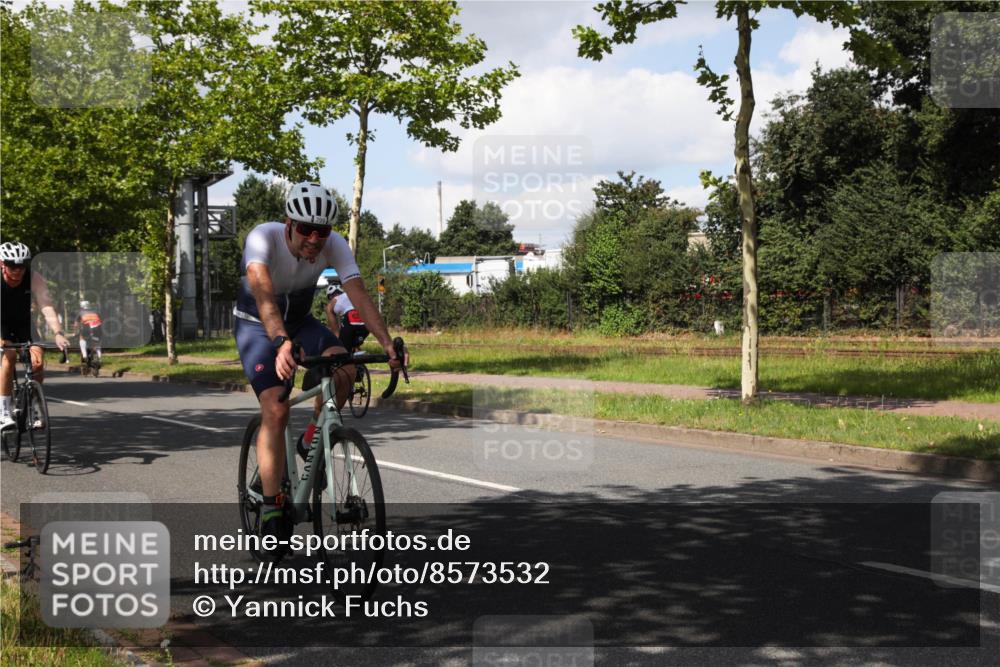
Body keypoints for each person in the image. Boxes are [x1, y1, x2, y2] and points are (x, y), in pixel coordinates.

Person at [233, 182, 406, 560]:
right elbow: (263, 292)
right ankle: (270, 506)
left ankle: (311, 440)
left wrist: (387, 342)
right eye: (306, 229)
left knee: (345, 369)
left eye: (322, 231)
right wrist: (279, 342)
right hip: (257, 326)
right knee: (276, 407)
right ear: (288, 224)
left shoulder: (335, 243)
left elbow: (357, 292)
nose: (314, 239)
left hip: (299, 321)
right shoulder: (262, 238)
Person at [1, 242, 69, 430]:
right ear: (2, 264)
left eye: (22, 266)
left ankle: (31, 408)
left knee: (37, 361)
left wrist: (58, 333)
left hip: (24, 323)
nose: (18, 271)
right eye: (13, 266)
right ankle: (4, 411)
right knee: (10, 356)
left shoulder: (34, 278)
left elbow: (46, 307)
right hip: (1, 323)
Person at [325, 283, 369, 352]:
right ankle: (357, 350)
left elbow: (335, 330)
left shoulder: (332, 303)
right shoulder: (351, 295)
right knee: (355, 345)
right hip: (366, 321)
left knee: (343, 349)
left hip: (350, 317)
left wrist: (338, 340)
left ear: (330, 296)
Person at [75, 300, 104, 368]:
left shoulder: (80, 313)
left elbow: (76, 325)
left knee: (82, 338)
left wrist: (75, 332)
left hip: (87, 329)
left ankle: (85, 355)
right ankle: (99, 358)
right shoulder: (96, 312)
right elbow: (101, 321)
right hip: (97, 329)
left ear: (81, 306)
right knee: (97, 344)